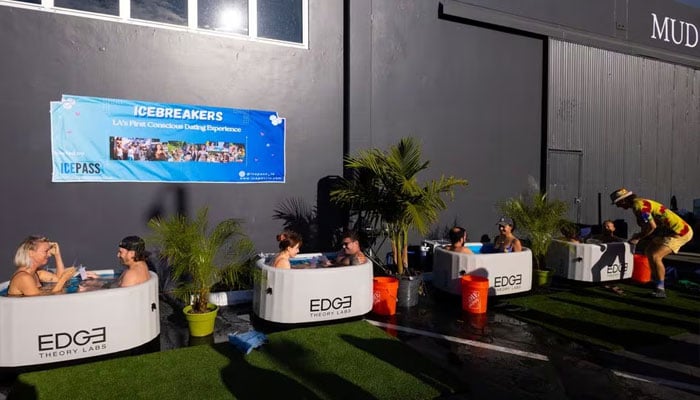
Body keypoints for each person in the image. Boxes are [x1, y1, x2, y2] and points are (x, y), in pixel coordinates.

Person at [611, 188, 694, 298]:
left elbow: (651, 227)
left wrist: (638, 238)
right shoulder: (639, 203)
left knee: (655, 256)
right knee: (649, 251)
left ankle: (660, 289)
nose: (618, 206)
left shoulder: (639, 206)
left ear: (623, 201)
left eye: (618, 203)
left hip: (679, 232)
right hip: (666, 232)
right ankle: (657, 282)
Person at [7, 236, 76, 296]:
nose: (49, 254)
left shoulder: (36, 273)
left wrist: (57, 255)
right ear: (31, 253)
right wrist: (63, 279)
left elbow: (57, 279)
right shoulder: (23, 278)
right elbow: (41, 302)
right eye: (46, 251)